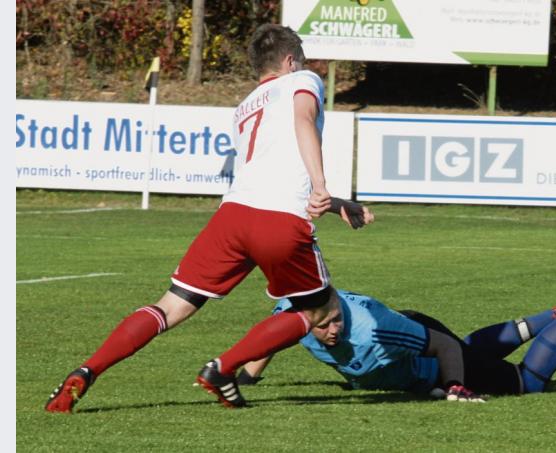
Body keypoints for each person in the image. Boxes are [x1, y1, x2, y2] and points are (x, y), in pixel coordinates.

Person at [45, 24, 373, 413]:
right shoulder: (303, 80)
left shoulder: (246, 106)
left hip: (231, 218)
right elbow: (304, 121)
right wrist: (322, 186)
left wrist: (334, 203)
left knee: (171, 306)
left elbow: (271, 168)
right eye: (299, 60)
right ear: (290, 60)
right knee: (322, 311)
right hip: (278, 219)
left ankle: (87, 370)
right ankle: (223, 369)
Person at [233, 263, 556, 401]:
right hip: (415, 337)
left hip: (419, 342)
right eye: (322, 325)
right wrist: (249, 373)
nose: (332, 330)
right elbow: (275, 332)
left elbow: (441, 346)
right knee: (473, 351)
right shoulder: (298, 311)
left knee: (527, 383)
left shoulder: (368, 330)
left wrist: (453, 388)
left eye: (335, 320)